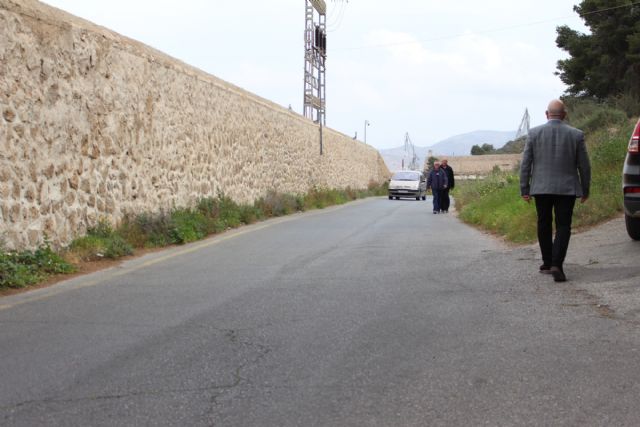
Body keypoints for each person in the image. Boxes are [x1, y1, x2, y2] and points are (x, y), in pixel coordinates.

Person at [520, 99, 591, 282]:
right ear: (564, 114)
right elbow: (584, 165)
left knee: (543, 223)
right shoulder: (576, 135)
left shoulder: (534, 133)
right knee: (563, 226)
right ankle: (557, 264)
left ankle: (546, 262)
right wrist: (585, 188)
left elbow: (525, 164)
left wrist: (524, 189)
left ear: (546, 114)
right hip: (566, 189)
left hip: (541, 188)